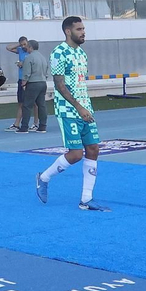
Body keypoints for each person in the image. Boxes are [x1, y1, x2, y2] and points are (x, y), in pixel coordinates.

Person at [35, 16, 106, 211]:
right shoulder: (59, 52)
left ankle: (86, 199)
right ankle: (43, 178)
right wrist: (78, 107)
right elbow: (59, 85)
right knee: (75, 154)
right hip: (69, 110)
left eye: (84, 28)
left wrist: (86, 107)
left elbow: (80, 83)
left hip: (85, 108)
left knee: (93, 149)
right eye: (79, 29)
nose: (83, 32)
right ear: (68, 31)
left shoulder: (82, 53)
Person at [15, 40, 49, 133]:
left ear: (30, 47)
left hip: (33, 83)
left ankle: (24, 127)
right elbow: (46, 71)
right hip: (42, 82)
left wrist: (24, 83)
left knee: (27, 105)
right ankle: (42, 126)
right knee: (41, 105)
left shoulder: (29, 57)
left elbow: (26, 72)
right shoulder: (43, 57)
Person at [4, 37, 31, 131]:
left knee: (34, 103)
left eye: (25, 44)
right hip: (21, 79)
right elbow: (8, 48)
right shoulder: (20, 50)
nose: (23, 46)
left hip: (30, 80)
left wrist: (24, 64)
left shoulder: (31, 52)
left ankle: (37, 123)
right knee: (20, 102)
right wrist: (19, 45)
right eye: (22, 44)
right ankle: (17, 124)